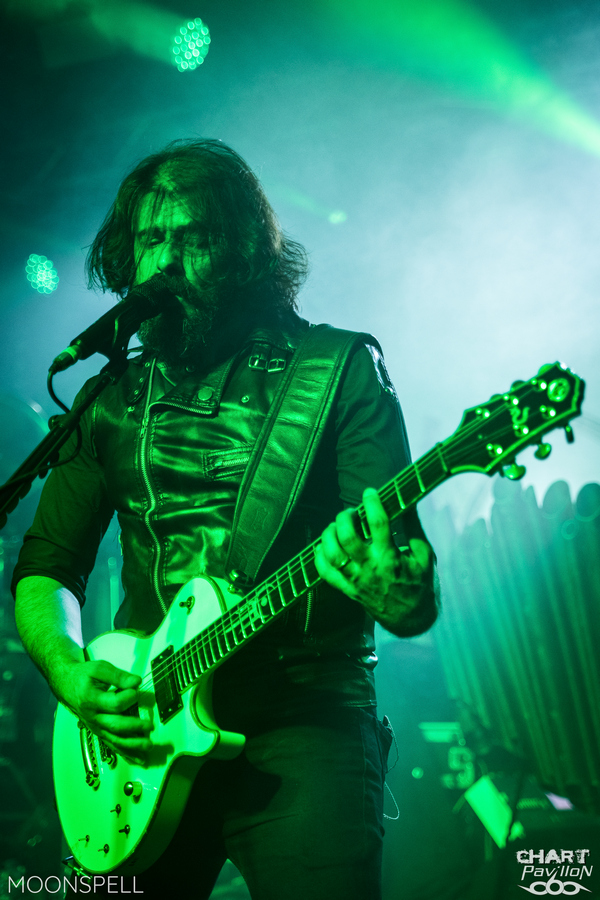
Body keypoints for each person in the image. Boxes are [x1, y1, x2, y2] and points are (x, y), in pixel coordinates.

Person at [12, 139, 438, 900]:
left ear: (244, 253)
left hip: (304, 721)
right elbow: (47, 567)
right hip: (145, 734)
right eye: (151, 239)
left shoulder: (338, 370)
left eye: (195, 237)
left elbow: (406, 585)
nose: (167, 263)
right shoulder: (111, 396)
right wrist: (72, 674)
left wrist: (400, 594)